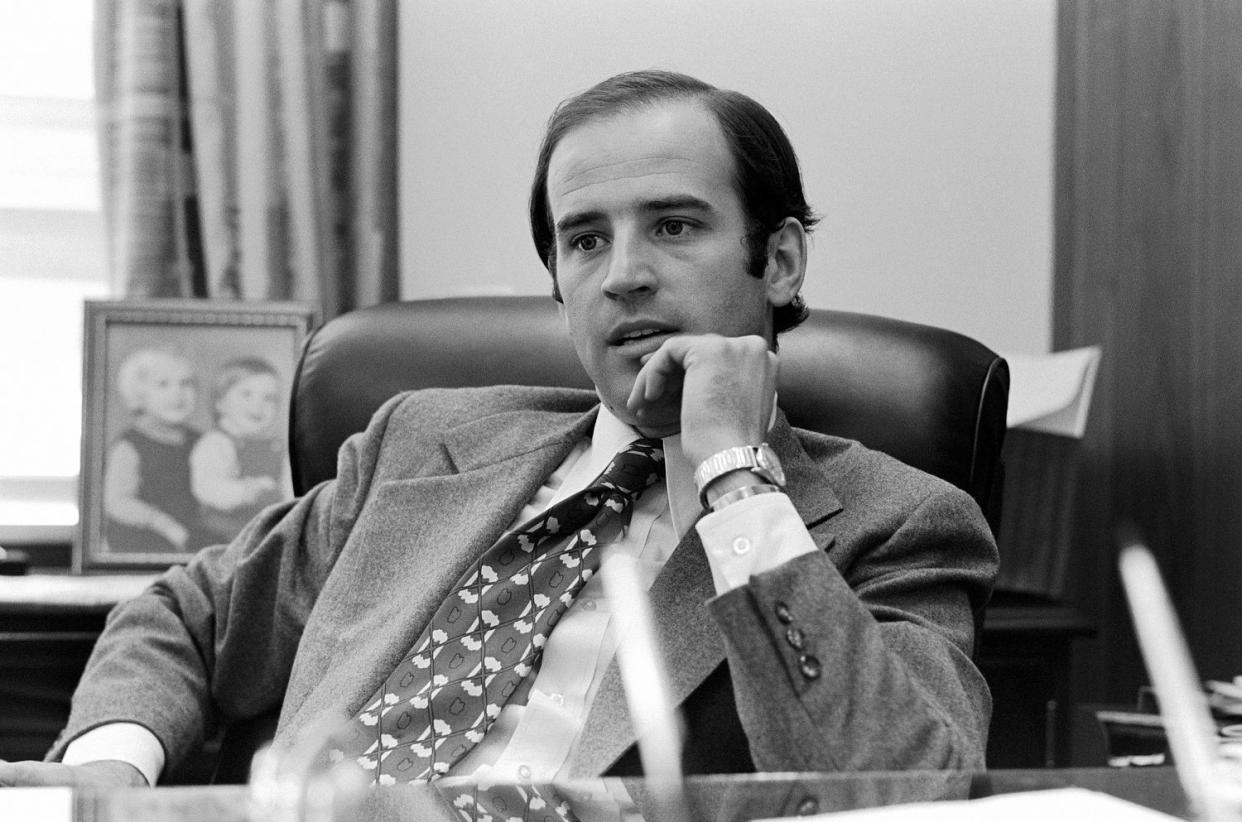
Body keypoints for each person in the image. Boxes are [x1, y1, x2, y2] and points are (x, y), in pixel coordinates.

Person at [0, 70, 996, 790]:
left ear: (778, 262)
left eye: (676, 226)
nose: (623, 274)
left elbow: (907, 793)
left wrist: (734, 476)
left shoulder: (897, 524)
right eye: (585, 239)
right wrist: (107, 776)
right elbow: (187, 618)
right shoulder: (421, 444)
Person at [102, 347, 203, 555]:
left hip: (191, 539)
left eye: (185, 383)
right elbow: (118, 502)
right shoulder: (130, 446)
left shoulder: (201, 441)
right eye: (163, 384)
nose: (177, 393)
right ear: (138, 395)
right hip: (144, 540)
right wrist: (162, 523)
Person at [190, 356, 288, 544]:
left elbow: (289, 488)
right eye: (246, 394)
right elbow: (206, 486)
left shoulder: (276, 448)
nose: (258, 405)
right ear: (221, 403)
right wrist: (245, 492)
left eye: (269, 398)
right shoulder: (216, 443)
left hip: (265, 534)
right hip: (221, 536)